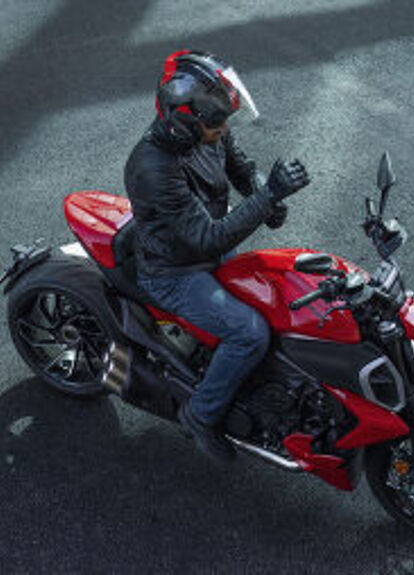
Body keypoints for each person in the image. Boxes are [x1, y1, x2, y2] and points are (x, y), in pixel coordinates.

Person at [124, 50, 310, 461]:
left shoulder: (205, 130)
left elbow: (241, 167)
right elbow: (206, 239)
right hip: (174, 271)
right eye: (217, 123)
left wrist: (264, 193)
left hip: (209, 248)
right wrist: (269, 196)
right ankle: (200, 414)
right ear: (185, 122)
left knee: (284, 304)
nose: (224, 128)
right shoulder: (153, 169)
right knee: (250, 333)